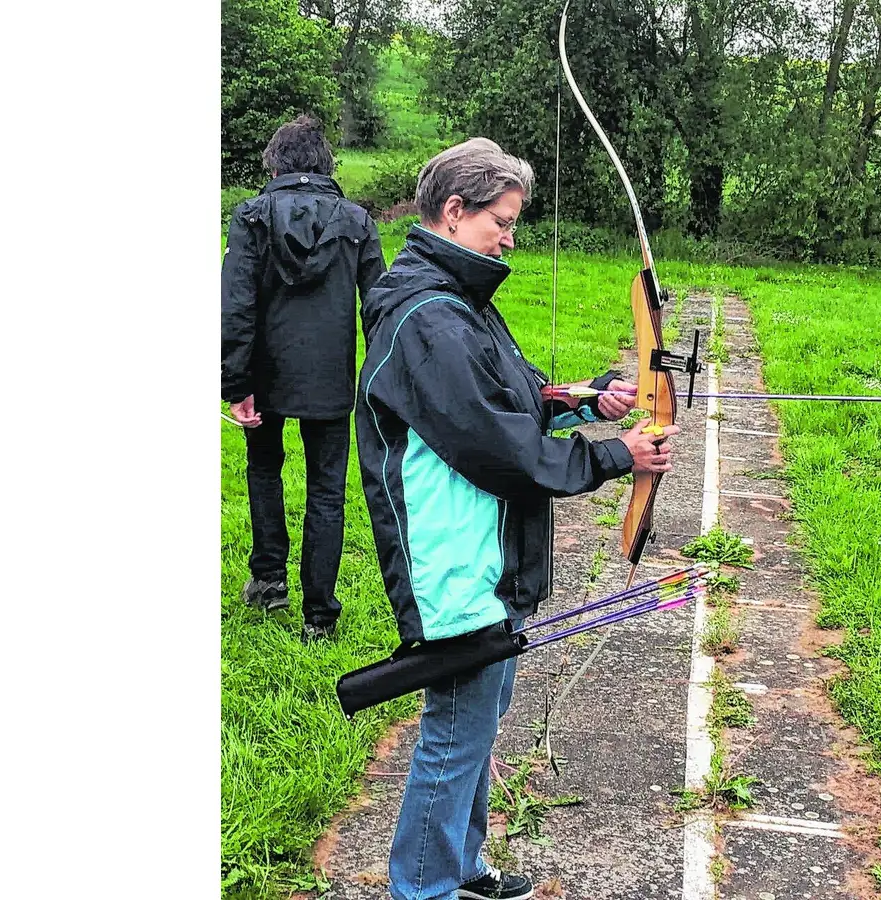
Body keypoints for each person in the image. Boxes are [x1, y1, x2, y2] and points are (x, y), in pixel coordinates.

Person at [355, 137, 679, 900]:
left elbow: (501, 397)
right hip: (454, 555)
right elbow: (496, 446)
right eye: (500, 220)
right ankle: (424, 887)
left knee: (478, 717)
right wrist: (611, 456)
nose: (509, 236)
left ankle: (459, 868)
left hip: (483, 546)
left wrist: (577, 400)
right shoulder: (429, 314)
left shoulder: (455, 299)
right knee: (456, 728)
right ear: (454, 210)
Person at [222, 115, 385, 639]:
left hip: (265, 374)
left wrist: (236, 384)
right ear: (324, 163)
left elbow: (237, 304)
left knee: (264, 468)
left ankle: (269, 580)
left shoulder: (250, 217)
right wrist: (382, 382)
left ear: (276, 161)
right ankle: (319, 614)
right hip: (329, 380)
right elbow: (378, 307)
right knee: (326, 491)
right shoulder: (358, 222)